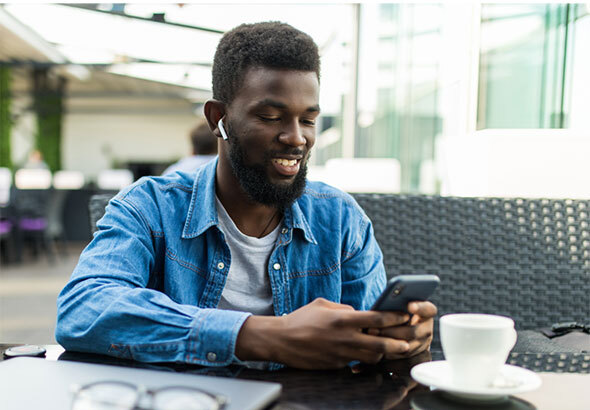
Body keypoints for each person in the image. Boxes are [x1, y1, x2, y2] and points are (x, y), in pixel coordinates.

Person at [56, 22, 436, 369]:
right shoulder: (150, 207)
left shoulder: (340, 219)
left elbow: (370, 348)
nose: (297, 138)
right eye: (271, 117)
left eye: (308, 119)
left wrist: (405, 342)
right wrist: (262, 336)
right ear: (217, 118)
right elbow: (83, 309)